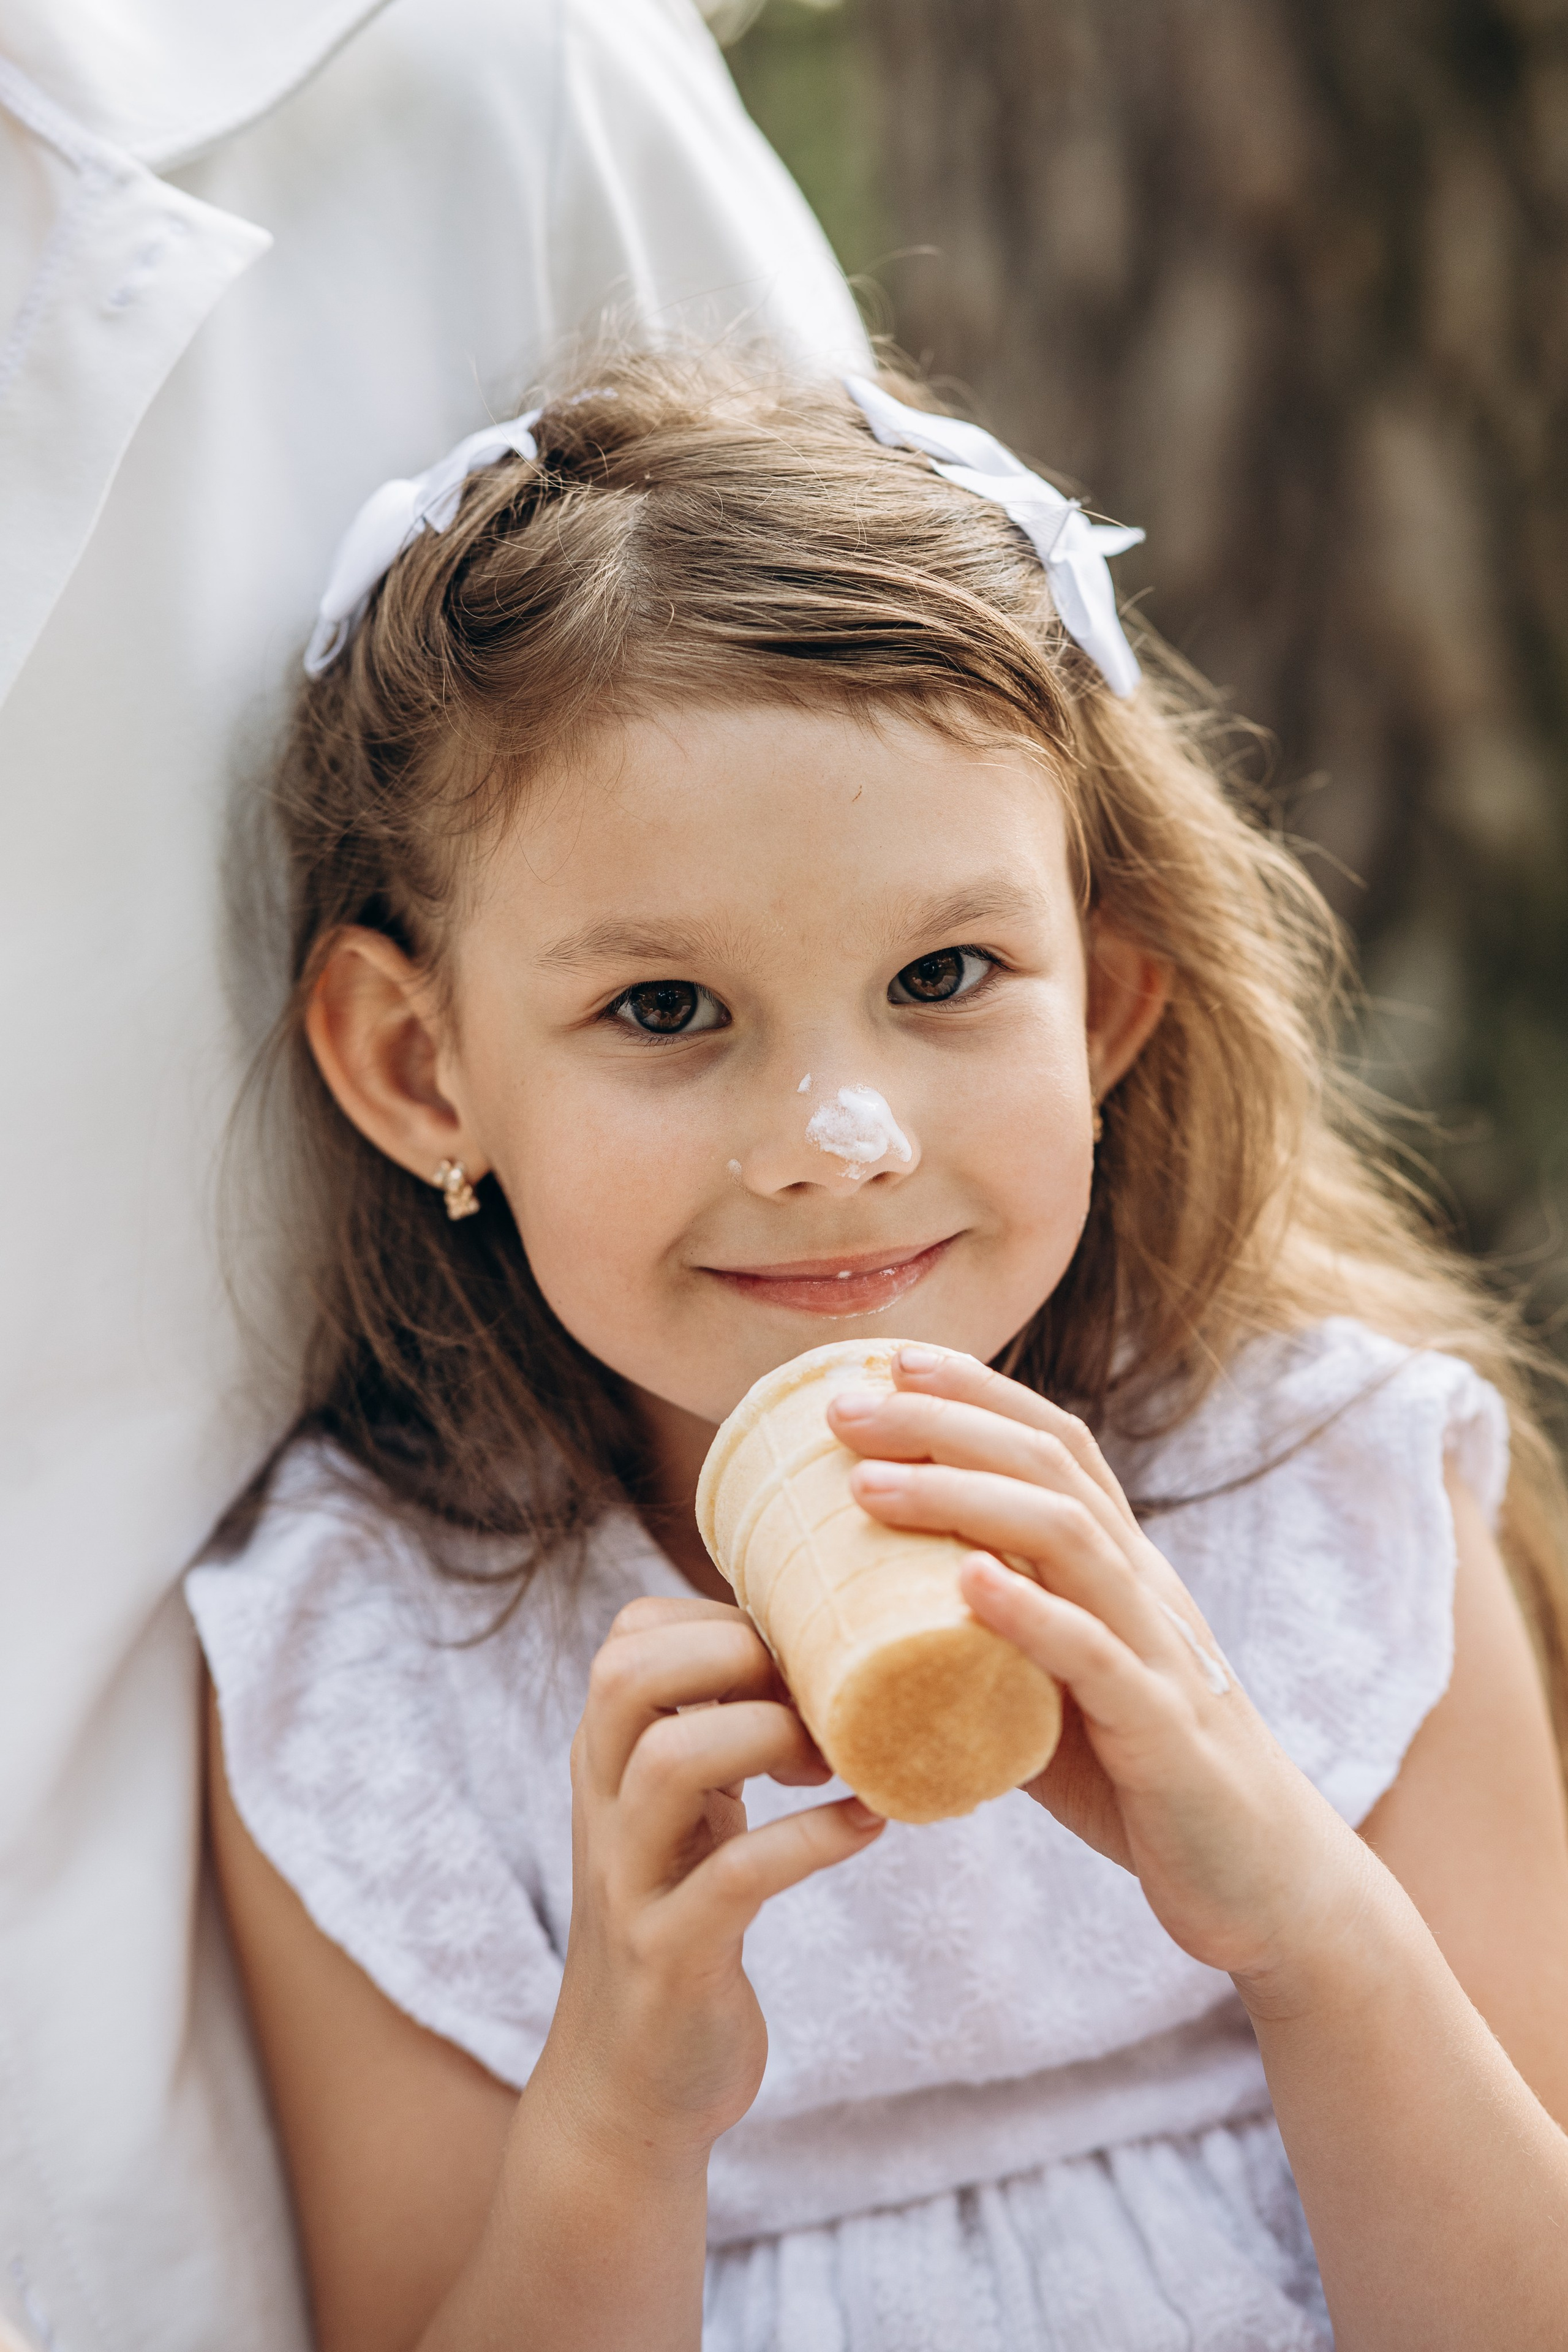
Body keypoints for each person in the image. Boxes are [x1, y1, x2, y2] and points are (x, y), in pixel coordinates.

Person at [188, 347, 1568, 2351]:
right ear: (422, 1069)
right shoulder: (365, 1660)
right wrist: (623, 2113)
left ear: (1098, 1012)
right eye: (666, 1011)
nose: (843, 1145)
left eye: (945, 975)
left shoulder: (1330, 1497)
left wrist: (1294, 1915)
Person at [0, 8, 865, 2345]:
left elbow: (903, 779)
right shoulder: (341, 1696)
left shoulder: (480, 70)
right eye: (664, 1015)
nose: (829, 1125)